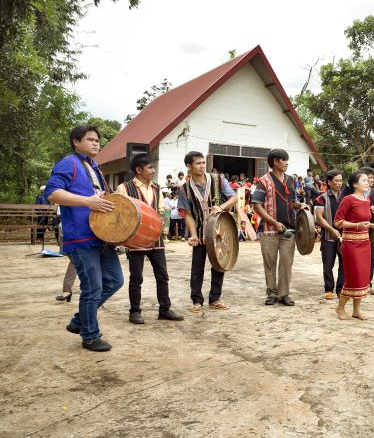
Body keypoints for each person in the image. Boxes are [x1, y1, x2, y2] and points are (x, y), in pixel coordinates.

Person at [45, 124, 123, 352]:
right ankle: (89, 335)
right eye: (90, 139)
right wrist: (88, 201)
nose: (96, 143)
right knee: (93, 288)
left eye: (97, 140)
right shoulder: (68, 163)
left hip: (101, 236)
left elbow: (96, 198)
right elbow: (52, 193)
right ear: (76, 142)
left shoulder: (94, 167)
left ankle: (80, 320)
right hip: (80, 238)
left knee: (115, 280)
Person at [114, 154, 183, 324]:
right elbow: (121, 211)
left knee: (162, 275)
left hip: (155, 237)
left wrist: (160, 228)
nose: (153, 171)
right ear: (139, 170)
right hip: (135, 239)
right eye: (150, 168)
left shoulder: (157, 188)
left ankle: (165, 309)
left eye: (153, 167)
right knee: (136, 277)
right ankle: (135, 311)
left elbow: (160, 210)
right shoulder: (124, 188)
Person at [178, 151, 237, 314]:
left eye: (204, 163)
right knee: (197, 268)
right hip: (199, 233)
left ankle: (215, 299)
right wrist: (193, 235)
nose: (202, 166)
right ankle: (196, 301)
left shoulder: (218, 179)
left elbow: (234, 198)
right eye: (198, 163)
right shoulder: (184, 189)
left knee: (219, 265)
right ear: (189, 166)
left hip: (218, 232)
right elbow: (188, 214)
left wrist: (221, 207)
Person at [252, 149, 309, 306]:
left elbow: (292, 201)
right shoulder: (263, 181)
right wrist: (274, 222)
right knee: (270, 263)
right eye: (283, 160)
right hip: (268, 229)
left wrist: (301, 205)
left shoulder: (290, 180)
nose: (286, 162)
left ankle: (283, 294)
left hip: (289, 229)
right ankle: (271, 293)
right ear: (275, 162)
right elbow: (257, 206)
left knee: (286, 262)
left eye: (287, 160)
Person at [333, 171, 374, 320]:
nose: (368, 182)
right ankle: (340, 308)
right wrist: (357, 225)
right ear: (354, 184)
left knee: (363, 278)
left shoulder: (366, 200)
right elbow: (338, 222)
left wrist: (372, 225)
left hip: (365, 243)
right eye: (364, 180)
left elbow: (364, 221)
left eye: (368, 180)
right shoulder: (348, 200)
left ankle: (356, 310)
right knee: (353, 277)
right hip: (351, 244)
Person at [314, 169, 345, 299]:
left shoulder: (345, 198)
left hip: (344, 236)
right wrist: (332, 230)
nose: (339, 183)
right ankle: (329, 289)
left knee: (344, 264)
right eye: (336, 180)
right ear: (329, 182)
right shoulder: (321, 198)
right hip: (328, 236)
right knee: (328, 264)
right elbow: (319, 217)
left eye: (341, 180)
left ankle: (340, 289)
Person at [362, 166, 374, 294]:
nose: (371, 180)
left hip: (372, 229)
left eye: (371, 177)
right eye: (368, 177)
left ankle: (368, 283)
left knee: (371, 257)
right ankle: (358, 284)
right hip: (358, 228)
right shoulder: (352, 192)